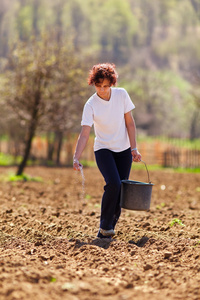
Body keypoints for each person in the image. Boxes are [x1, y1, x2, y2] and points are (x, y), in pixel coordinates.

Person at [73, 63, 141, 239]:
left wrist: (134, 148)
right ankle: (104, 225)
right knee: (113, 183)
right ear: (93, 84)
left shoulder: (122, 95)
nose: (102, 90)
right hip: (103, 149)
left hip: (124, 149)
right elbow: (85, 133)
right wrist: (76, 156)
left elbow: (130, 123)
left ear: (112, 83)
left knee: (121, 189)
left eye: (105, 86)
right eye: (98, 86)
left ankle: (108, 229)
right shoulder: (90, 105)